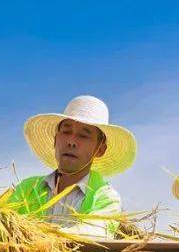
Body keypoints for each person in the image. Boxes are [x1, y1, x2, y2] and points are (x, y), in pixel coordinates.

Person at [10, 95, 136, 237]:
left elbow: (95, 234)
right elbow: (1, 226)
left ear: (100, 149)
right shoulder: (26, 189)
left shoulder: (106, 198)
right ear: (55, 140)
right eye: (66, 132)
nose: (71, 141)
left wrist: (36, 237)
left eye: (83, 135)